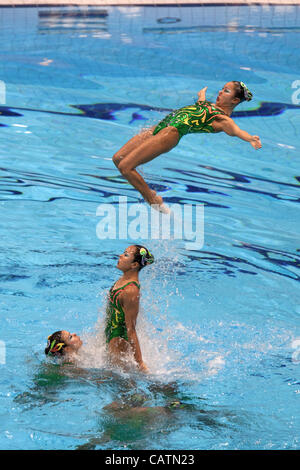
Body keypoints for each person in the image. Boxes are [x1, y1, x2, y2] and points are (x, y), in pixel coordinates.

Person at [112, 81, 262, 211]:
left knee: (126, 167)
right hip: (158, 128)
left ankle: (152, 199)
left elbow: (236, 131)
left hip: (170, 133)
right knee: (117, 158)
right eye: (222, 88)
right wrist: (201, 95)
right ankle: (140, 182)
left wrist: (250, 138)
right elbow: (200, 105)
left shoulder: (222, 120)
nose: (221, 92)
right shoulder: (209, 106)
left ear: (235, 100)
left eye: (226, 91)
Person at [105, 244, 154, 373]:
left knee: (122, 386)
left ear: (134, 265)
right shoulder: (123, 280)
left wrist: (140, 363)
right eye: (123, 252)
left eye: (126, 255)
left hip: (119, 340)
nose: (120, 255)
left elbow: (131, 328)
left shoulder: (131, 290)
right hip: (111, 335)